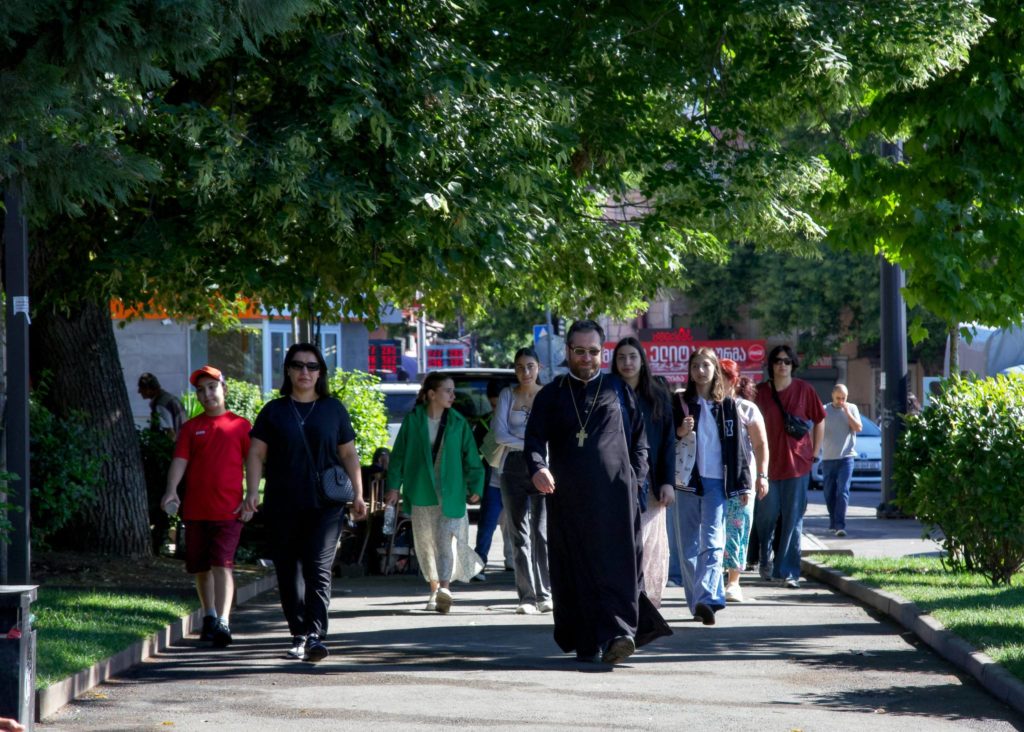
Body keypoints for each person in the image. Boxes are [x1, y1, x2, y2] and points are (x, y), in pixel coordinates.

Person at [525, 319, 671, 664]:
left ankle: (620, 634)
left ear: (601, 352)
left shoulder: (618, 389)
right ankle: (588, 640)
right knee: (576, 569)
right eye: (580, 351)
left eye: (593, 351)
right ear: (568, 352)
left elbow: (640, 440)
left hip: (616, 499)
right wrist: (538, 467)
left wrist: (636, 477)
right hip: (569, 500)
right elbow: (533, 440)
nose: (587, 358)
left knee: (617, 566)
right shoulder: (552, 393)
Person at [244, 343, 367, 662]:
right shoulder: (274, 411)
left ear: (320, 373)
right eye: (298, 365)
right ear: (287, 370)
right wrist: (252, 492)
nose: (305, 372)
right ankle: (298, 632)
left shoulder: (333, 409)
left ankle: (315, 634)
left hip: (326, 505)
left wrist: (358, 493)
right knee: (288, 571)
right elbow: (256, 453)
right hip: (283, 503)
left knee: (317, 566)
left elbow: (349, 454)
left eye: (312, 367)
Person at [161, 366, 252, 647]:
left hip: (230, 511)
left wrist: (251, 496)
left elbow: (254, 464)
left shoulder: (241, 426)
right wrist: (171, 491)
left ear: (223, 389)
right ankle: (209, 615)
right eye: (201, 390)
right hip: (196, 510)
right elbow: (180, 461)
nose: (207, 394)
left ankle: (223, 622)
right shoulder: (191, 428)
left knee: (222, 564)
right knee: (201, 567)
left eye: (212, 387)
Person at [385, 372, 485, 613]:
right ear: (431, 394)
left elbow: (471, 457)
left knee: (446, 540)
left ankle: (444, 589)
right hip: (421, 491)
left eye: (453, 391)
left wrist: (476, 487)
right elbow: (398, 455)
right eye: (447, 390)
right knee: (426, 542)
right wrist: (392, 487)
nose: (453, 395)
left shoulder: (458, 422)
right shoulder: (413, 421)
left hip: (451, 491)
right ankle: (433, 591)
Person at [673, 348, 751, 625]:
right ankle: (700, 603)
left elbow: (738, 448)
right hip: (687, 482)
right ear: (690, 370)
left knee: (713, 540)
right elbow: (665, 439)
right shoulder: (680, 402)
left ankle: (707, 598)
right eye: (696, 365)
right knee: (689, 544)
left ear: (715, 369)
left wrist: (743, 485)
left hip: (718, 481)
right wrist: (680, 431)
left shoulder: (728, 405)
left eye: (706, 365)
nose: (700, 370)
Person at [754, 345, 826, 589]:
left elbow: (819, 420)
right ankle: (764, 553)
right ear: (771, 365)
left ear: (793, 364)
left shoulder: (805, 390)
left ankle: (787, 571)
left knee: (793, 519)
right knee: (766, 516)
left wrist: (814, 454)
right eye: (777, 361)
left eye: (786, 361)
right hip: (766, 467)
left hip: (797, 465)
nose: (782, 365)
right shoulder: (760, 392)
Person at [612, 337, 675, 608]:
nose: (627, 363)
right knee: (620, 542)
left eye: (632, 357)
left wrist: (667, 482)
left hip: (650, 481)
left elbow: (669, 441)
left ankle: (647, 603)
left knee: (648, 543)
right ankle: (623, 601)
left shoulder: (657, 395)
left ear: (642, 361)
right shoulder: (607, 393)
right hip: (613, 480)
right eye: (622, 357)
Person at [494, 347, 552, 614]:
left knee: (542, 533)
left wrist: (535, 450)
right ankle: (526, 597)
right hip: (513, 466)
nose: (525, 372)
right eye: (519, 367)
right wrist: (531, 445)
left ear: (538, 368)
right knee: (519, 534)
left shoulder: (549, 395)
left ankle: (545, 593)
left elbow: (554, 435)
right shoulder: (508, 394)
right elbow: (499, 435)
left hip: (544, 466)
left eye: (530, 366)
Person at [719, 360, 769, 603]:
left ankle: (733, 581)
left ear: (734, 381)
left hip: (741, 479)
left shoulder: (747, 409)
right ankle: (712, 580)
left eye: (725, 377)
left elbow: (760, 445)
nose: (720, 382)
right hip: (712, 478)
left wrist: (762, 475)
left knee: (738, 528)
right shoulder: (705, 407)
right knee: (713, 530)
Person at [472, 379, 514, 581]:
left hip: (516, 482)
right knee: (487, 524)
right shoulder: (483, 424)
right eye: (494, 405)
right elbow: (474, 456)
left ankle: (513, 561)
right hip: (493, 483)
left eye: (501, 404)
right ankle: (479, 563)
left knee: (516, 525)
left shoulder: (519, 420)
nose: (497, 409)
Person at [821, 384, 862, 537]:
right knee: (828, 492)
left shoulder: (851, 408)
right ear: (832, 395)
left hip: (847, 457)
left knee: (843, 491)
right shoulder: (824, 410)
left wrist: (846, 412)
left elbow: (858, 428)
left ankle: (840, 525)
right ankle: (833, 521)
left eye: (843, 398)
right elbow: (816, 429)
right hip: (828, 458)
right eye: (838, 398)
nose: (840, 401)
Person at [138, 372, 186, 437]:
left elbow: (170, 434)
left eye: (141, 388)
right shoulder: (169, 398)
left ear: (148, 389)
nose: (139, 391)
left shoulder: (160, 404)